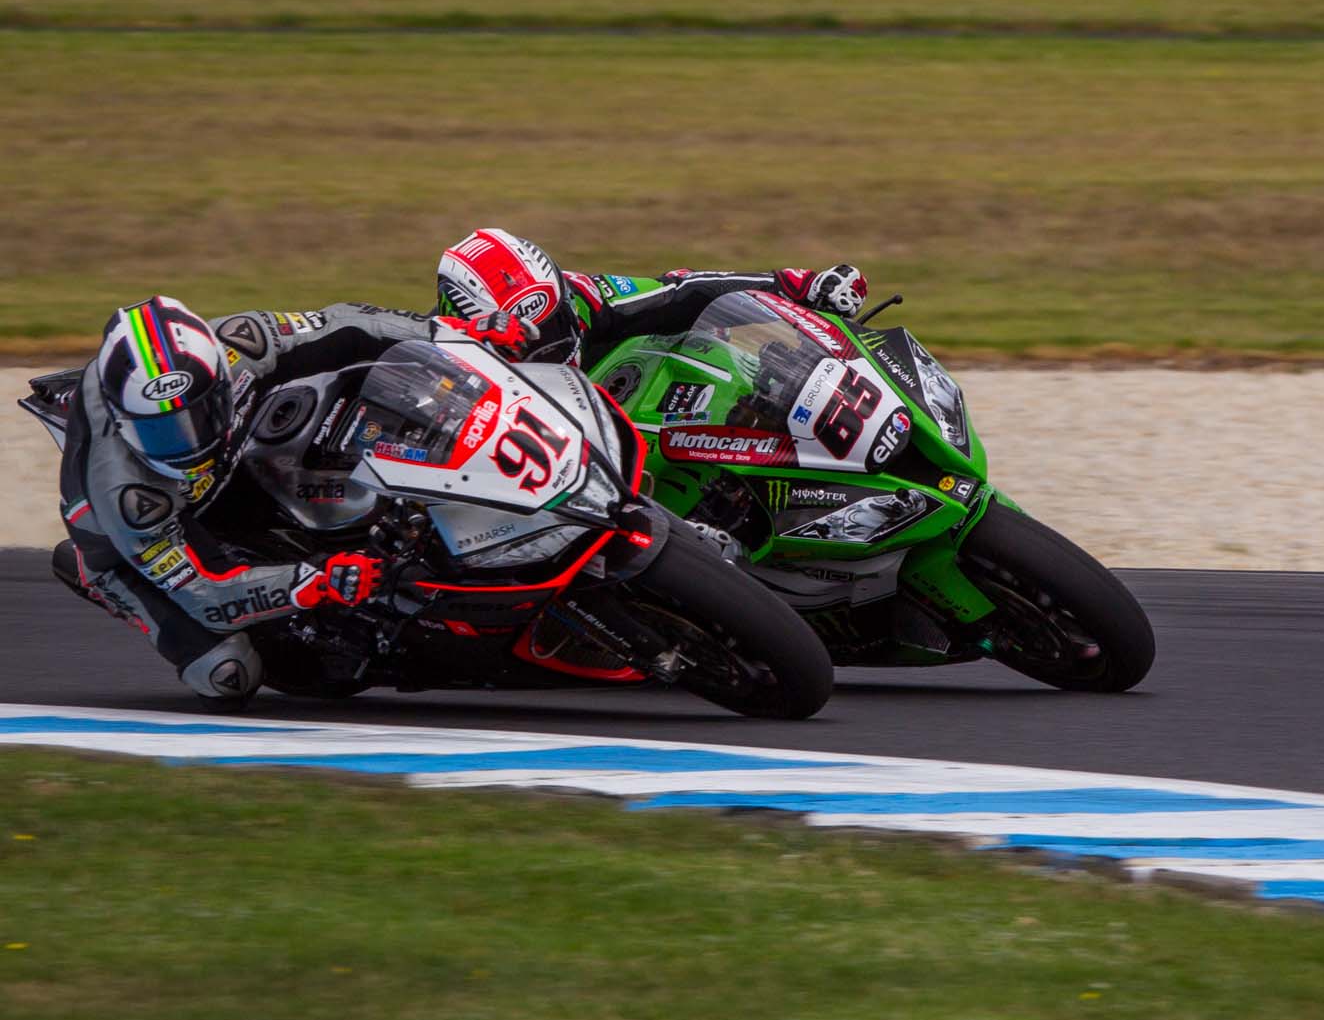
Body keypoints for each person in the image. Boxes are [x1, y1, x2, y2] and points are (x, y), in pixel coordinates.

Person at [52, 294, 533, 707]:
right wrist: (315, 582)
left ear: (221, 376)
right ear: (122, 419)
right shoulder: (124, 494)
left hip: (230, 463)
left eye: (199, 414)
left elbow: (348, 324)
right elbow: (207, 593)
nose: (187, 439)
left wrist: (450, 331)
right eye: (160, 430)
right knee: (228, 676)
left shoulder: (241, 343)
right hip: (125, 547)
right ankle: (88, 574)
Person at [434, 227, 869, 370]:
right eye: (530, 334)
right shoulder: (433, 355)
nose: (550, 338)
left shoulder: (583, 298)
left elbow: (684, 291)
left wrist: (799, 285)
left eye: (554, 319)